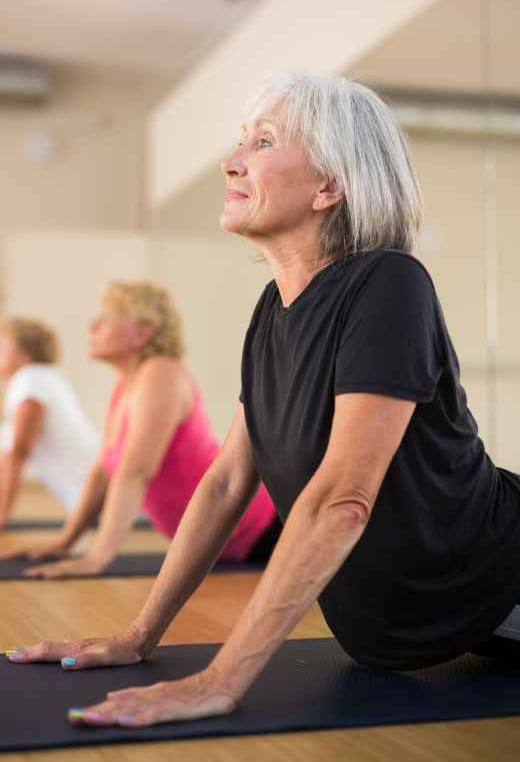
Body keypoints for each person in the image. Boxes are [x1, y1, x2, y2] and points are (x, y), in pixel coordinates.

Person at [7, 71, 519, 728]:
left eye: (264, 140)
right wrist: (139, 635)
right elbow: (225, 482)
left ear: (329, 186)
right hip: (399, 627)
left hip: (496, 579)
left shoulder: (390, 284)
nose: (232, 159)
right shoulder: (272, 311)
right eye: (241, 139)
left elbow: (343, 501)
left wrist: (221, 679)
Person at [1, 282, 278, 577]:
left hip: (262, 533)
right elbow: (101, 472)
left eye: (106, 318)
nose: (92, 325)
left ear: (141, 334)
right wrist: (64, 543)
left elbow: (134, 472)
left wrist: (97, 558)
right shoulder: (125, 382)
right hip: (218, 547)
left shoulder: (161, 372)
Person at [0, 317, 99, 526]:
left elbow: (18, 452)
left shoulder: (31, 378)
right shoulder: (40, 377)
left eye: (3, 344)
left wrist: (2, 516)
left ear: (25, 354)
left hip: (101, 499)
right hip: (96, 496)